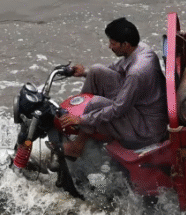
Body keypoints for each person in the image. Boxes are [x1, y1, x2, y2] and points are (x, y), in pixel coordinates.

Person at [59, 17, 168, 149]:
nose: (110, 46)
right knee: (96, 71)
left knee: (95, 103)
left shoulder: (136, 72)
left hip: (147, 129)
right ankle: (83, 124)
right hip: (140, 105)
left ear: (125, 45)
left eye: (113, 43)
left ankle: (78, 144)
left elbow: (118, 109)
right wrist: (84, 72)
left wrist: (82, 119)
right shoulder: (140, 48)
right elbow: (115, 68)